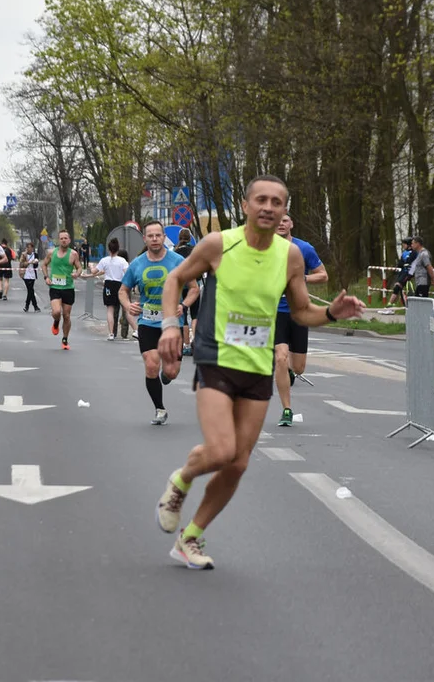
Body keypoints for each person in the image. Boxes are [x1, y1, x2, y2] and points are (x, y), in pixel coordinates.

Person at [153, 174, 365, 569]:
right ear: (247, 206)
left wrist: (333, 312)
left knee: (238, 463)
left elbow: (301, 310)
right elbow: (176, 278)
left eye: (277, 202)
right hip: (216, 356)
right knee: (221, 450)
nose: (269, 207)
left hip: (257, 364)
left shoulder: (290, 257)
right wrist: (169, 326)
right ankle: (182, 481)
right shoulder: (219, 244)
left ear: (285, 211)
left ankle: (191, 537)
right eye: (261, 200)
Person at [118, 221, 199, 425]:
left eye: (158, 235)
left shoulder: (178, 261)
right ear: (145, 239)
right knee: (151, 365)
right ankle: (160, 409)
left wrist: (185, 305)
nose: (154, 239)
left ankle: (167, 375)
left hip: (173, 322)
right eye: (150, 236)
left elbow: (194, 288)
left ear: (164, 237)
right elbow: (122, 290)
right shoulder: (137, 264)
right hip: (148, 322)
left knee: (171, 371)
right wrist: (128, 305)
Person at [273, 212, 327, 427]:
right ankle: (286, 409)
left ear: (291, 224)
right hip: (274, 312)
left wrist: (302, 278)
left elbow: (323, 274)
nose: (281, 224)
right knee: (280, 357)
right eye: (277, 221)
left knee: (299, 367)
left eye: (285, 220)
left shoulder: (303, 248)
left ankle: (288, 371)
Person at [41, 229, 82, 349]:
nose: (63, 240)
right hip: (55, 287)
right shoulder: (51, 253)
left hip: (68, 288)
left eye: (66, 238)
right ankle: (56, 322)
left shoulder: (74, 254)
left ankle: (65, 339)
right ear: (58, 240)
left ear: (69, 240)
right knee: (56, 312)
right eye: (61, 238)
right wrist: (46, 277)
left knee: (67, 315)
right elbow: (44, 265)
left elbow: (79, 267)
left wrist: (77, 274)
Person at [87, 237, 128, 340]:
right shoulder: (122, 261)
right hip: (120, 284)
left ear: (108, 249)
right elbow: (128, 273)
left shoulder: (104, 260)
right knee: (126, 308)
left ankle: (111, 333)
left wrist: (91, 266)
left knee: (110, 310)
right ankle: (135, 330)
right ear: (118, 249)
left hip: (109, 285)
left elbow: (94, 272)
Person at [174, 229, 197, 354]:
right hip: (195, 286)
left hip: (181, 286)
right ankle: (196, 342)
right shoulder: (195, 251)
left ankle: (186, 345)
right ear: (190, 238)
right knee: (195, 315)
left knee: (183, 316)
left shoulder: (175, 252)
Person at [387, 238, 417, 307]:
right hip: (402, 273)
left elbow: (410, 262)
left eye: (404, 244)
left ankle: (390, 305)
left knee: (398, 287)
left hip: (408, 273)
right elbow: (400, 264)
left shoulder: (413, 253)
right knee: (399, 289)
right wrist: (404, 264)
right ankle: (403, 305)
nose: (403, 245)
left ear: (409, 245)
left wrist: (406, 264)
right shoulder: (404, 253)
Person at [19, 242, 41, 312]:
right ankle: (35, 306)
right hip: (25, 274)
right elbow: (21, 264)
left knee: (30, 291)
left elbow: (36, 265)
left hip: (33, 274)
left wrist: (36, 262)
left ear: (33, 248)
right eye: (28, 247)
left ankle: (27, 306)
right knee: (31, 290)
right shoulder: (24, 255)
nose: (29, 249)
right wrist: (29, 262)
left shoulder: (35, 255)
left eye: (30, 247)